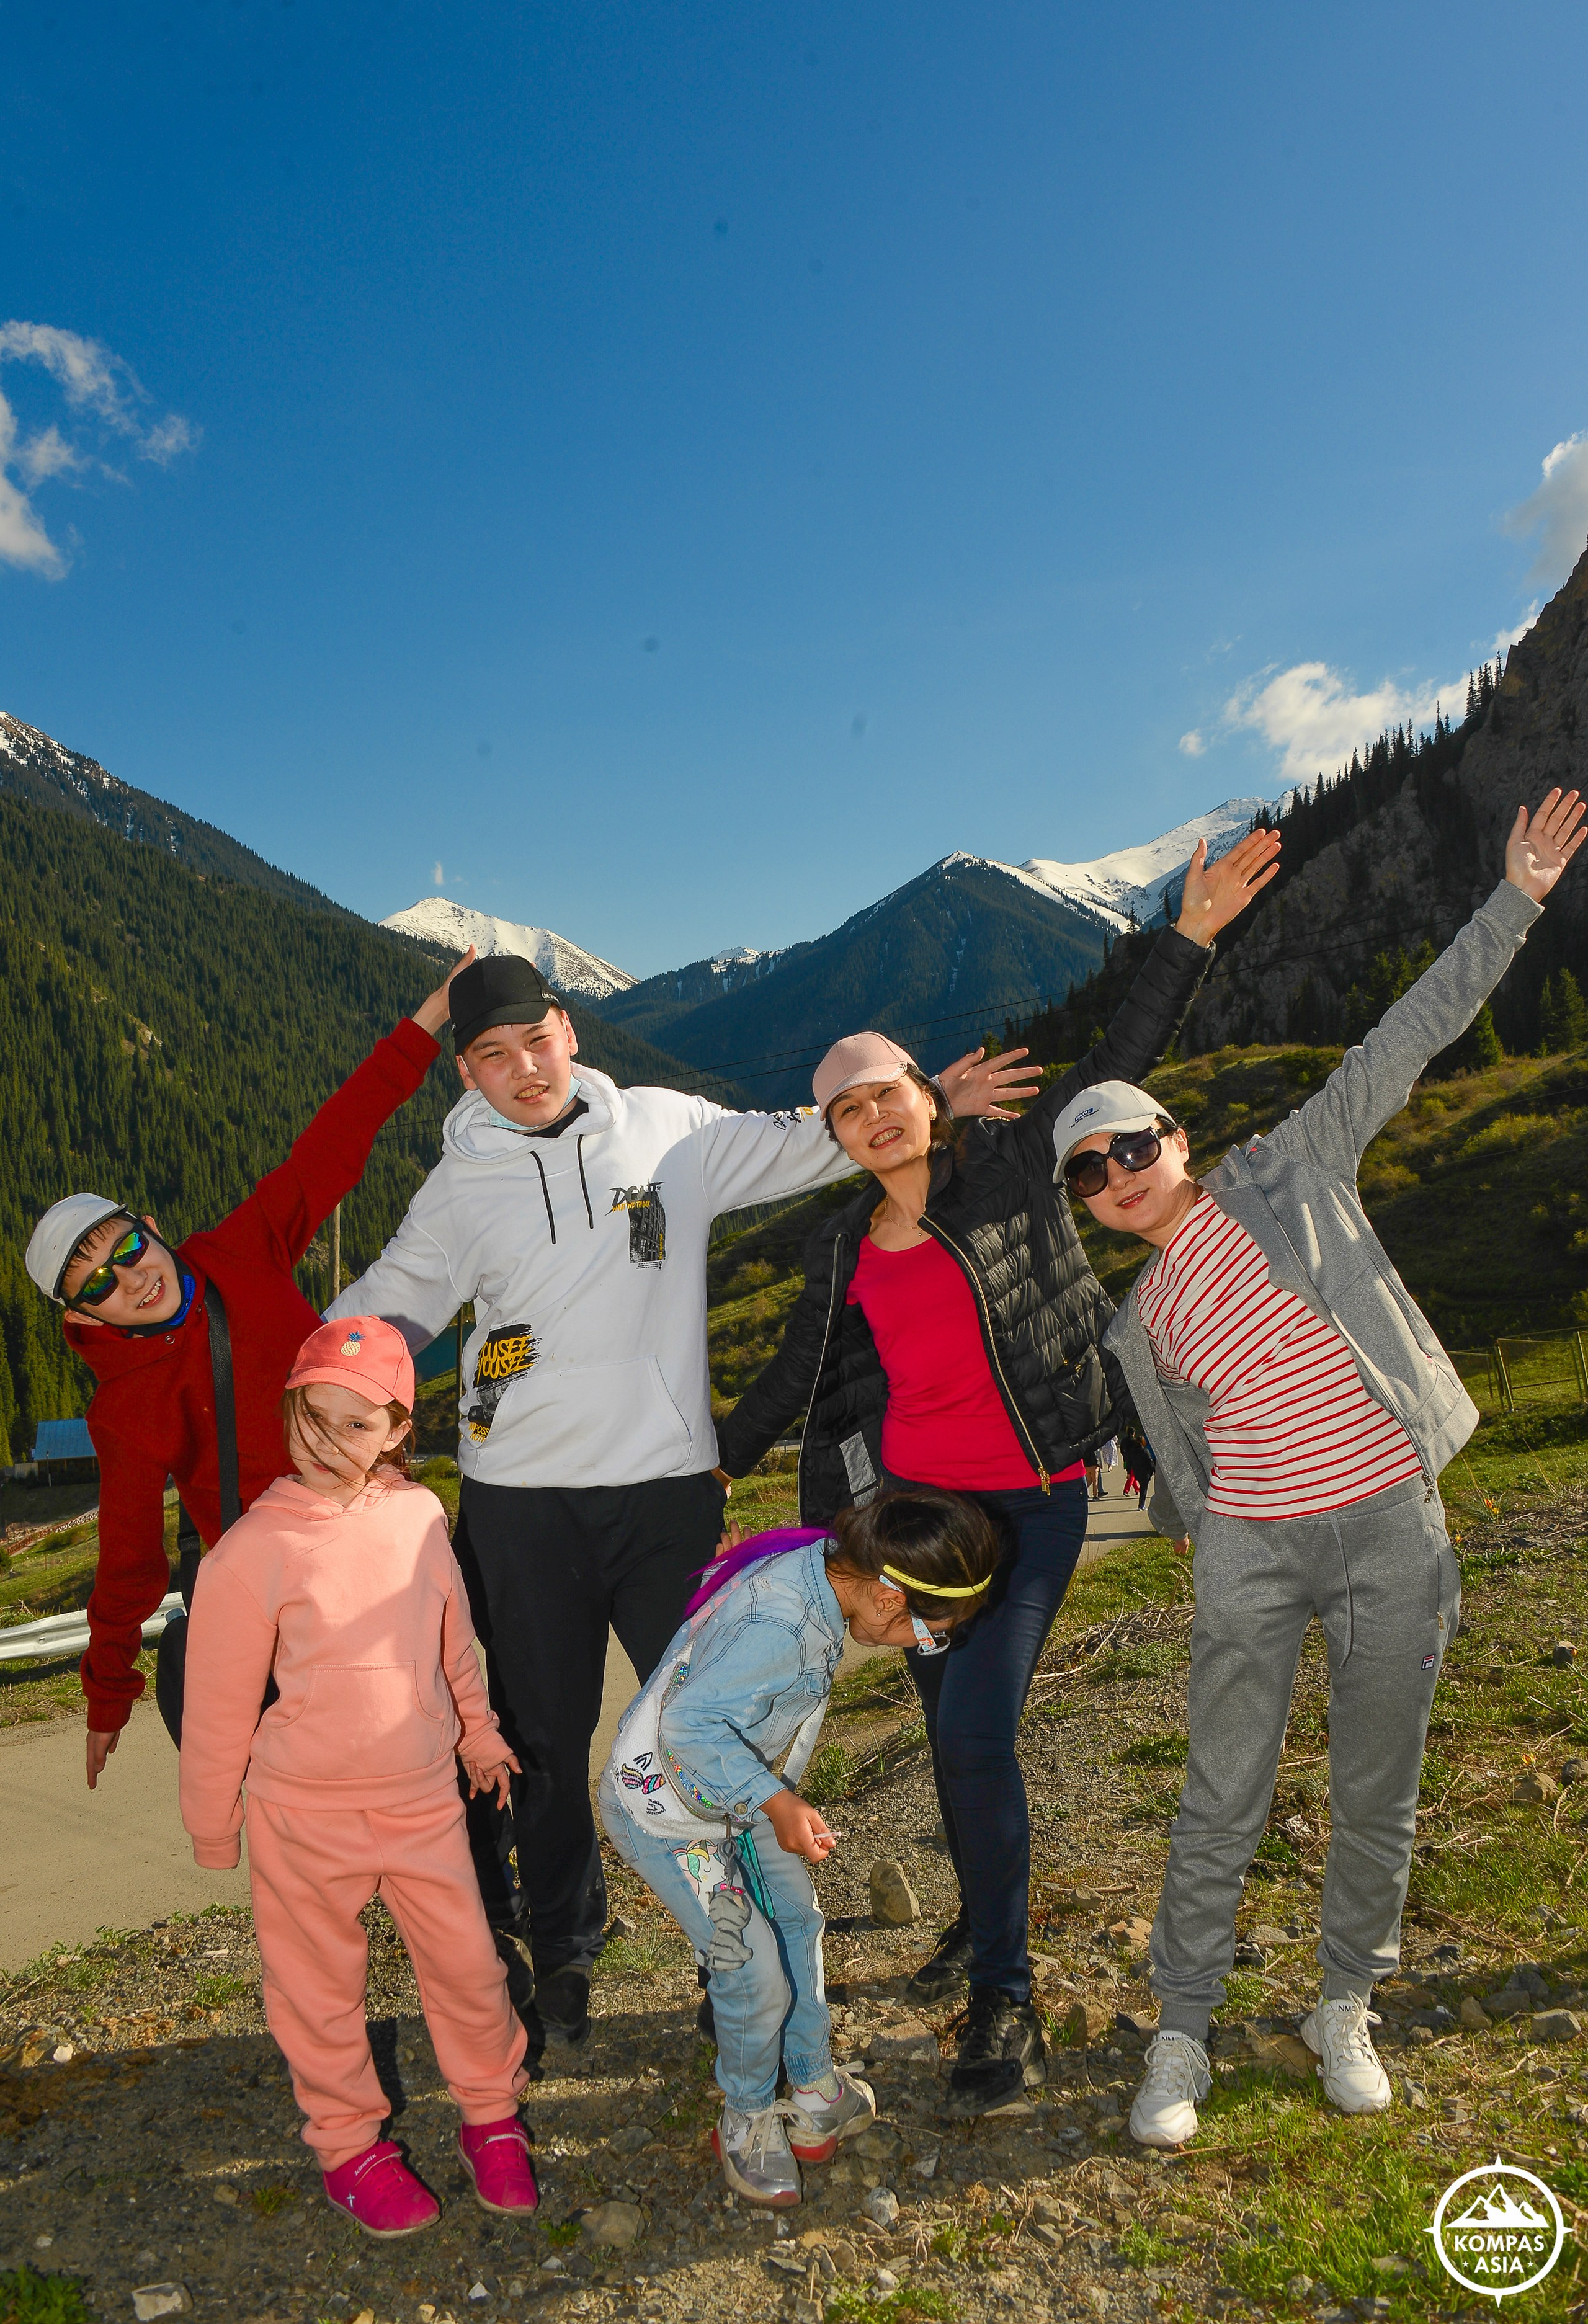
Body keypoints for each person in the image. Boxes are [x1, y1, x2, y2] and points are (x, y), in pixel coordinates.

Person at [325, 951, 1027, 2050]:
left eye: (536, 1042)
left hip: (664, 1489)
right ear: (466, 1074)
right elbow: (394, 1304)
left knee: (715, 1726)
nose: (524, 1072)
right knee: (540, 1740)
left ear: (569, 1029)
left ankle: (733, 1946)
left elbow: (809, 1138)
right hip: (521, 1502)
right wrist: (327, 1376)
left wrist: (926, 1099)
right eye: (493, 1058)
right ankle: (563, 1943)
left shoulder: (669, 1131)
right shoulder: (459, 1187)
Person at [716, 829, 1280, 2117]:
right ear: (838, 1136)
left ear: (928, 1094)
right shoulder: (841, 1248)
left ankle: (1005, 1998)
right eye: (845, 1110)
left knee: (974, 1729)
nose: (872, 1117)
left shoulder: (1015, 1168)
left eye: (887, 1094)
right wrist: (706, 1460)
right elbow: (786, 1380)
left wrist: (1186, 937)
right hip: (914, 1526)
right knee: (945, 1729)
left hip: (1029, 1506)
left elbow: (1114, 1063)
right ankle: (979, 1928)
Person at [1053, 789, 1585, 2150]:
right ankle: (1178, 2036)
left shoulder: (1290, 1169)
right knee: (1218, 1792)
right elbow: (1167, 1454)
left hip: (1388, 1529)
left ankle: (1341, 2004)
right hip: (1248, 1552)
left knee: (1375, 1786)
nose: (1114, 1174)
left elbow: (1408, 1033)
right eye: (1085, 1174)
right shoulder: (1128, 1321)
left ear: (1176, 1141)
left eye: (1131, 1146)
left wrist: (1514, 898)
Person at [22, 948, 474, 1789]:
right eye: (99, 1285)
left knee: (434, 1742)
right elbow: (129, 1564)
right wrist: (107, 1696)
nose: (131, 1277)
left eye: (126, 1248)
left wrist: (426, 1023)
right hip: (276, 1598)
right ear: (82, 1316)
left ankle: (484, 1894)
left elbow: (333, 1145)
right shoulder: (123, 1407)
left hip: (374, 1543)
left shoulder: (243, 1251)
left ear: (150, 1225)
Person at [179, 1317, 539, 2237]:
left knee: (467, 1963)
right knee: (316, 1985)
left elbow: (454, 1639)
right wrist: (215, 1824)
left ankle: (491, 2114)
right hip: (302, 1813)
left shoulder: (419, 1516)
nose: (330, 1443)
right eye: (314, 1417)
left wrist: (479, 1733)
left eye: (358, 1424)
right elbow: (218, 1701)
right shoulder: (252, 1548)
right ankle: (348, 2147)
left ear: (397, 1433)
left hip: (420, 1797)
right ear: (290, 1409)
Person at [600, 1488, 1001, 2206]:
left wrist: (769, 1798)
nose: (927, 1647)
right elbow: (690, 1727)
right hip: (668, 1808)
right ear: (886, 1598)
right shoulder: (782, 1624)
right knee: (752, 1973)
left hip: (739, 1790)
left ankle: (813, 2086)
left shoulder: (823, 1574)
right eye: (932, 1632)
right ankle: (748, 2115)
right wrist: (777, 1802)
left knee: (798, 1923)